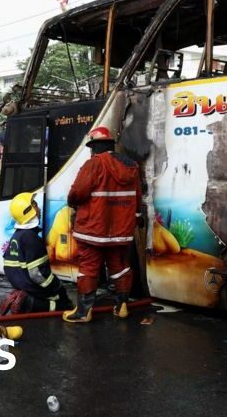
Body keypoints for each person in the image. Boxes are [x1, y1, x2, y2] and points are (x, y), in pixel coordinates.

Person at [63, 126, 142, 323]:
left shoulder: (94, 164)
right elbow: (138, 197)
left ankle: (84, 311)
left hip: (93, 229)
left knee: (88, 267)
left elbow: (77, 193)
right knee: (119, 265)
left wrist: (72, 202)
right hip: (121, 230)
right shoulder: (131, 166)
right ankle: (122, 305)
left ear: (95, 146)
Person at [0, 192, 72, 315]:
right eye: (35, 205)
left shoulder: (17, 235)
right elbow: (37, 275)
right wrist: (57, 286)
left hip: (20, 284)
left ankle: (20, 295)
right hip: (31, 287)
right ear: (28, 212)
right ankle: (27, 303)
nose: (38, 209)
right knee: (62, 303)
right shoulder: (32, 239)